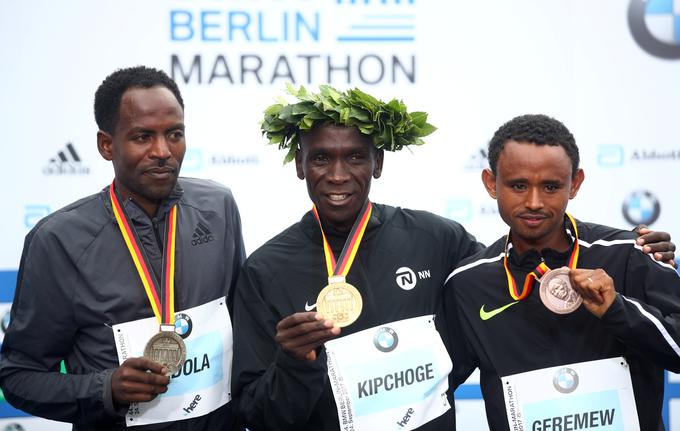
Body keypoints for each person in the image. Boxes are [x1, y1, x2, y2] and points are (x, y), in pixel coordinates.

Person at [230, 86, 675, 431]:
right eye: (322, 158)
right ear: (299, 164)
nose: (339, 175)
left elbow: (513, 265)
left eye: (355, 157)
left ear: (378, 163)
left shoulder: (436, 239)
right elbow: (257, 413)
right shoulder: (266, 269)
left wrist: (631, 269)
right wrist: (295, 364)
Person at [0, 66, 245, 430]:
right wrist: (106, 389)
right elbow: (19, 376)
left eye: (174, 134)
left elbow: (242, 327)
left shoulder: (218, 207)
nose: (163, 151)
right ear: (106, 145)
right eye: (143, 137)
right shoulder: (59, 241)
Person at [442, 114, 680, 430]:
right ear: (490, 183)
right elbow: (432, 387)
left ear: (575, 183)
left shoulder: (630, 253)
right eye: (518, 185)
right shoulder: (468, 283)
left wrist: (616, 309)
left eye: (551, 186)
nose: (534, 202)